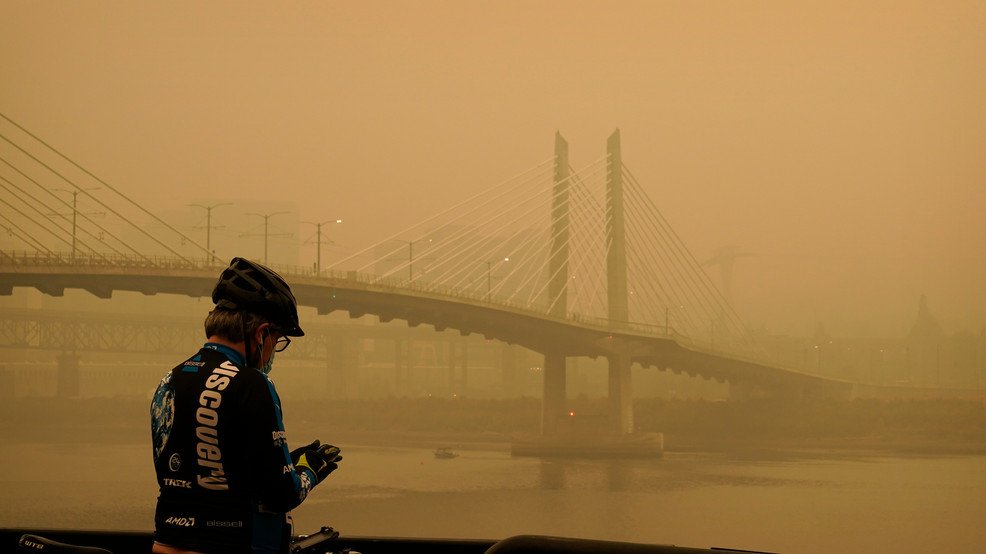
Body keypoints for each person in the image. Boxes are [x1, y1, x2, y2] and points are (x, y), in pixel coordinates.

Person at [150, 257, 342, 554]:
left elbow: (203, 470)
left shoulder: (170, 380)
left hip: (165, 545)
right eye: (277, 340)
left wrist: (286, 460)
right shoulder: (251, 383)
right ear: (261, 333)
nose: (273, 352)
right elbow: (281, 495)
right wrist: (310, 471)